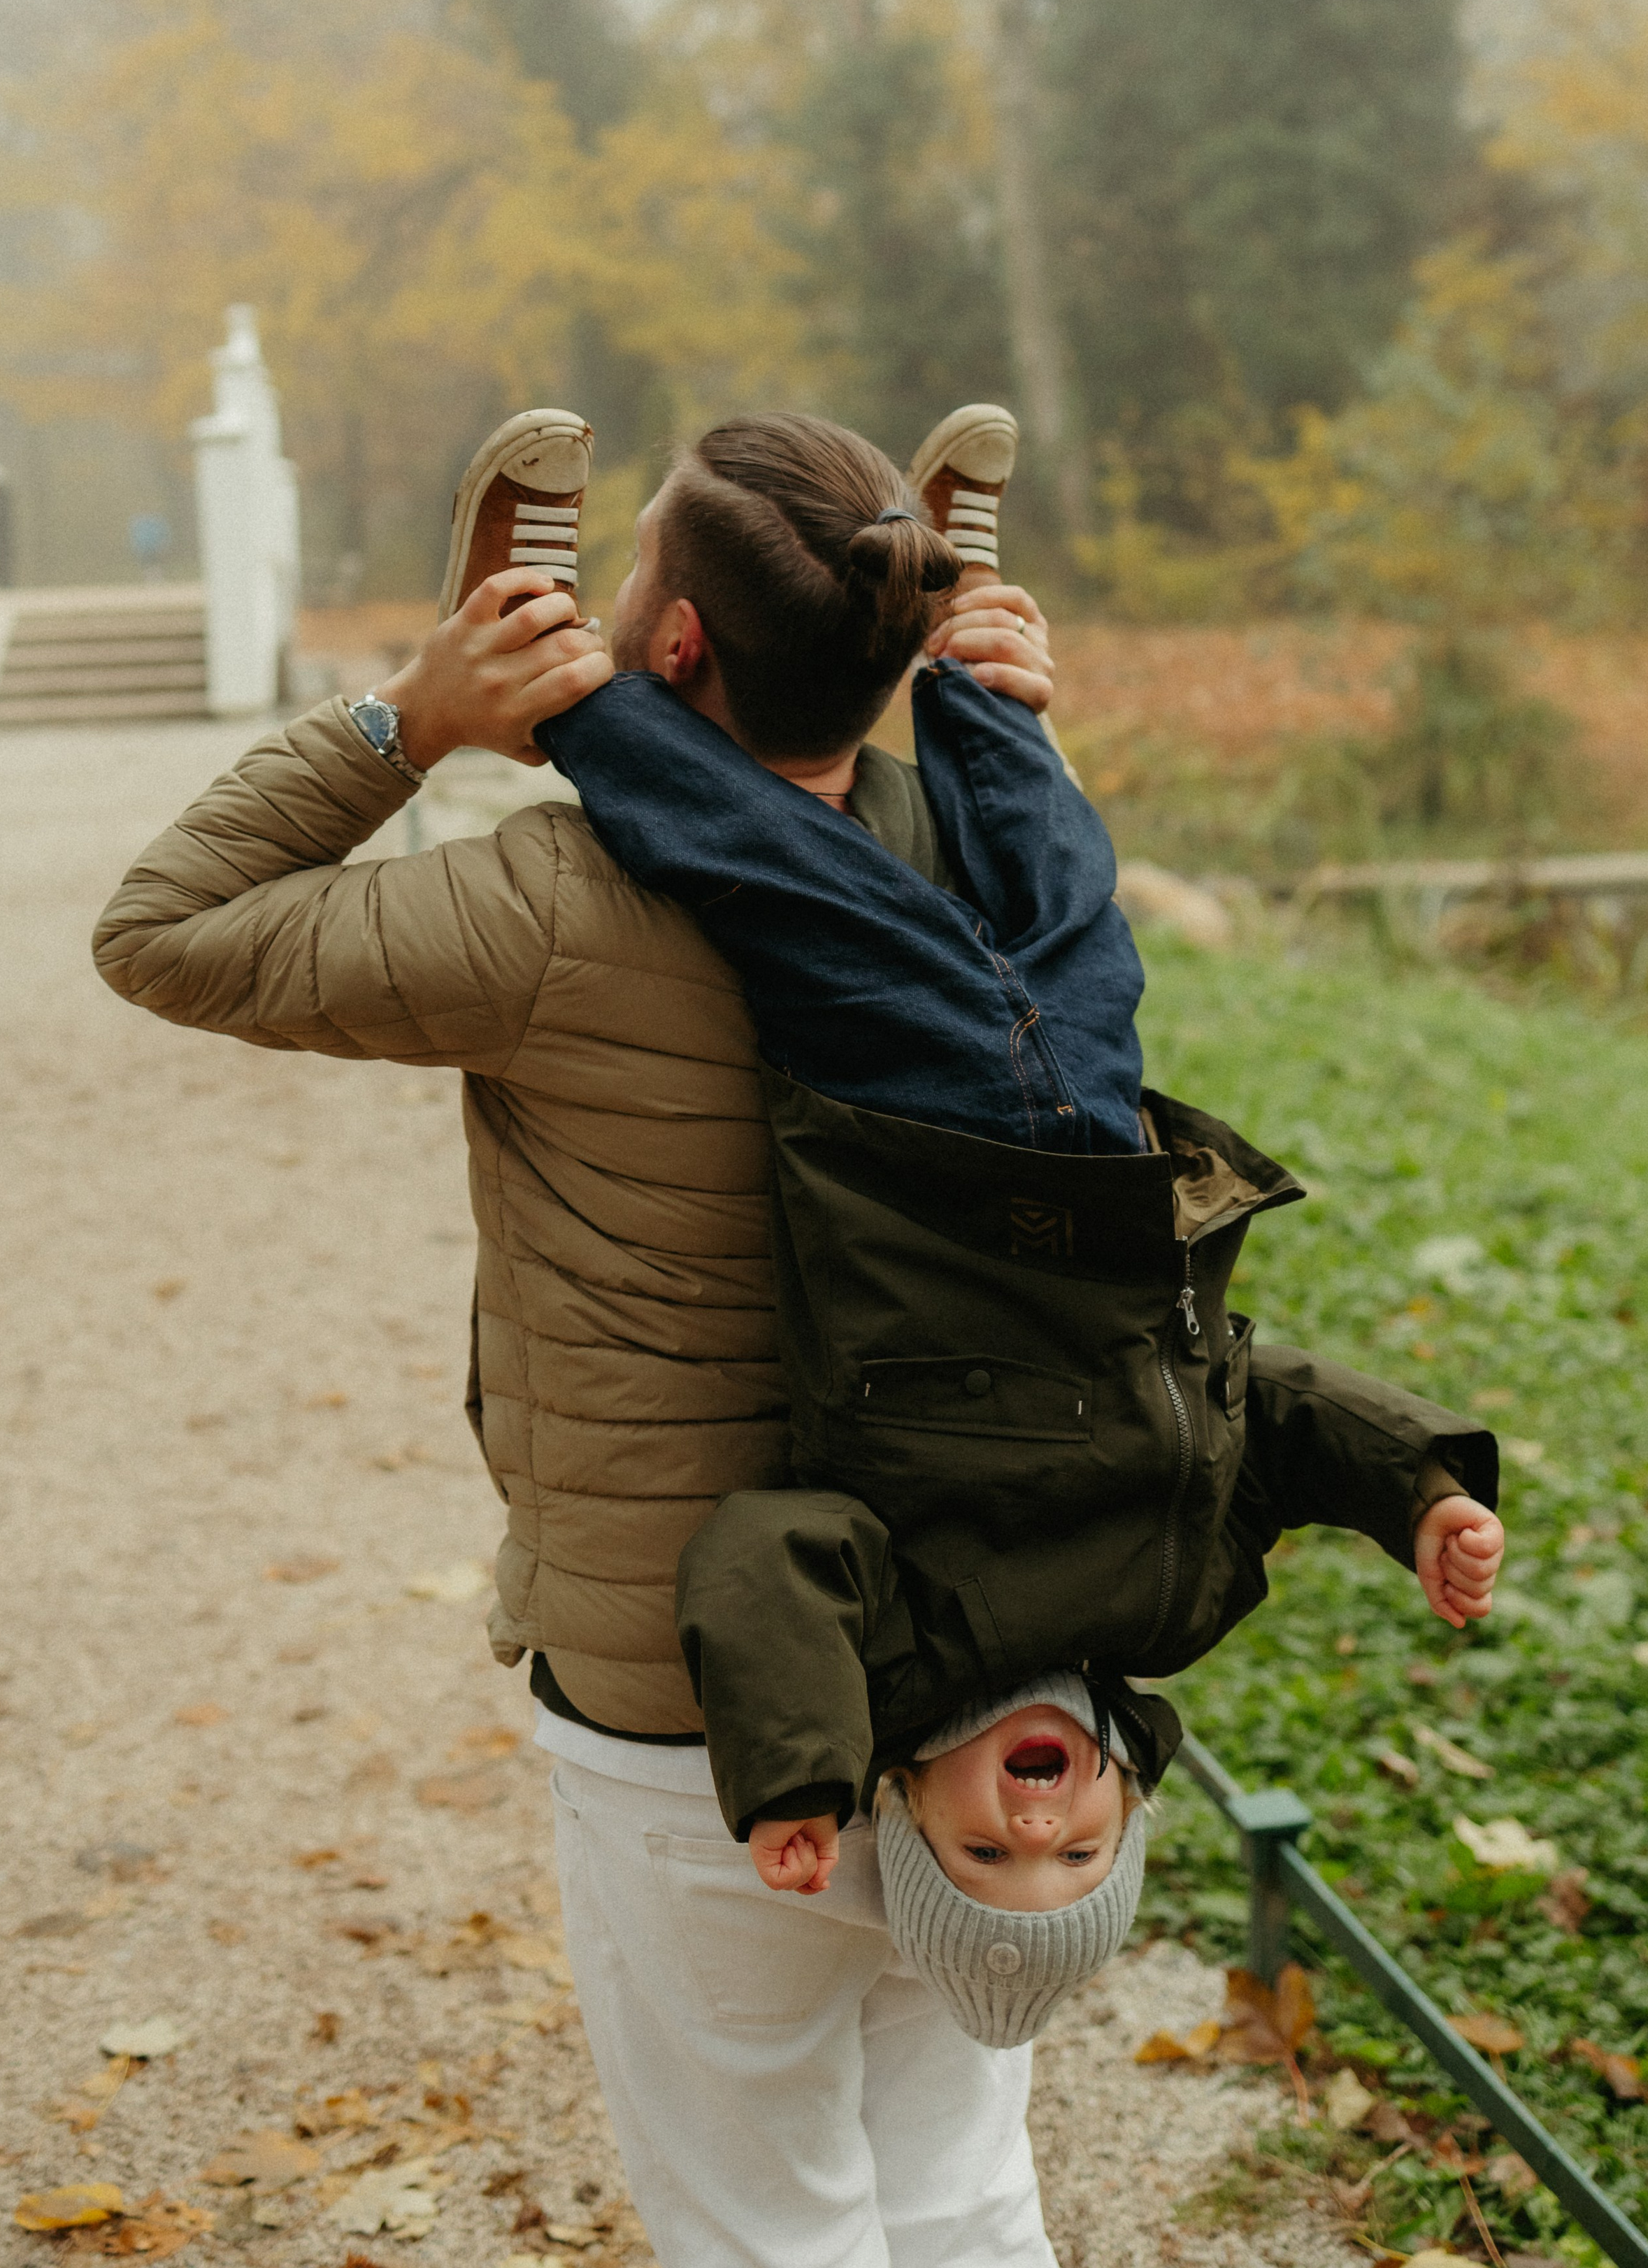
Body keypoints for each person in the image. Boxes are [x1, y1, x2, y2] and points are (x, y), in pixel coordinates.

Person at [94, 402, 1121, 2268]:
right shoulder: (985, 860)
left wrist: (406, 723)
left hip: (682, 1712)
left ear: (660, 656)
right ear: (901, 648)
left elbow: (165, 928)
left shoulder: (549, 903)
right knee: (964, 2224)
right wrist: (1003, 708)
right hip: (966, 1659)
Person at [529, 498, 1505, 2053]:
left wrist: (795, 1773)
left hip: (912, 1155)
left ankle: (565, 692)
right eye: (1076, 1851)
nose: (1032, 1823)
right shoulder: (1170, 1598)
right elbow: (1274, 1410)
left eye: (987, 1854)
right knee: (1059, 890)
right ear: (1124, 1788)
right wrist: (1419, 1499)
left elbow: (759, 1559)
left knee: (792, 878)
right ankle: (955, 625)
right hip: (1100, 1141)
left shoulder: (902, 1642)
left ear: (906, 1797)